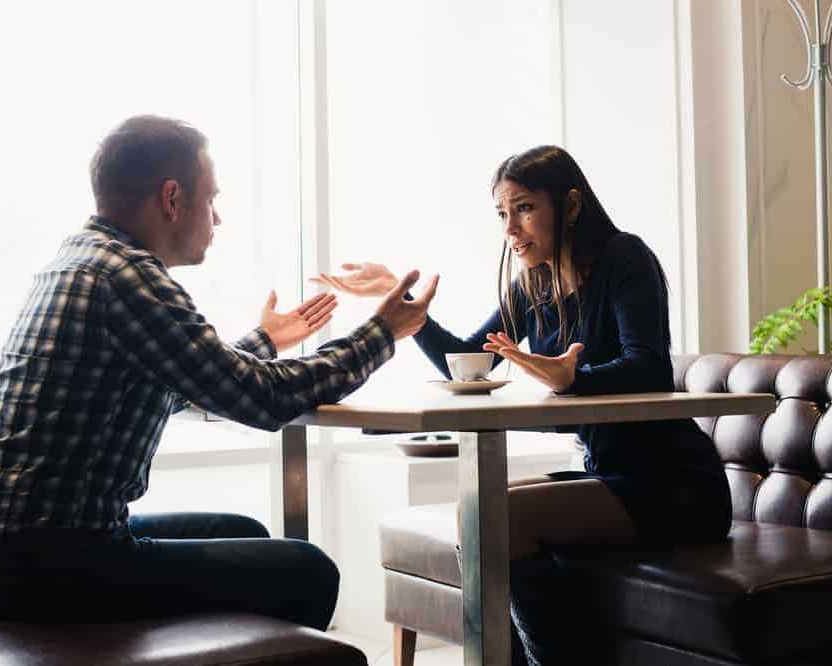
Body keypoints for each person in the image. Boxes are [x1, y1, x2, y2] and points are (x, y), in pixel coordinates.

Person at [0, 115, 439, 628]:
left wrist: (266, 341)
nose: (218, 218)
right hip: (48, 568)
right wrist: (381, 333)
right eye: (212, 199)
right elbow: (264, 401)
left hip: (3, 559)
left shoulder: (80, 258)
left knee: (245, 533)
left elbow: (180, 383)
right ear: (172, 198)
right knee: (308, 570)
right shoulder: (127, 277)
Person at [313, 145, 731, 665]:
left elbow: (648, 367)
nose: (511, 228)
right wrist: (409, 315)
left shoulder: (626, 258)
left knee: (495, 520)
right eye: (502, 214)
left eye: (524, 208)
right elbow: (468, 364)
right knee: (483, 512)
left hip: (677, 485)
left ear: (571, 205)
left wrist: (574, 376)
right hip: (612, 475)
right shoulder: (532, 283)